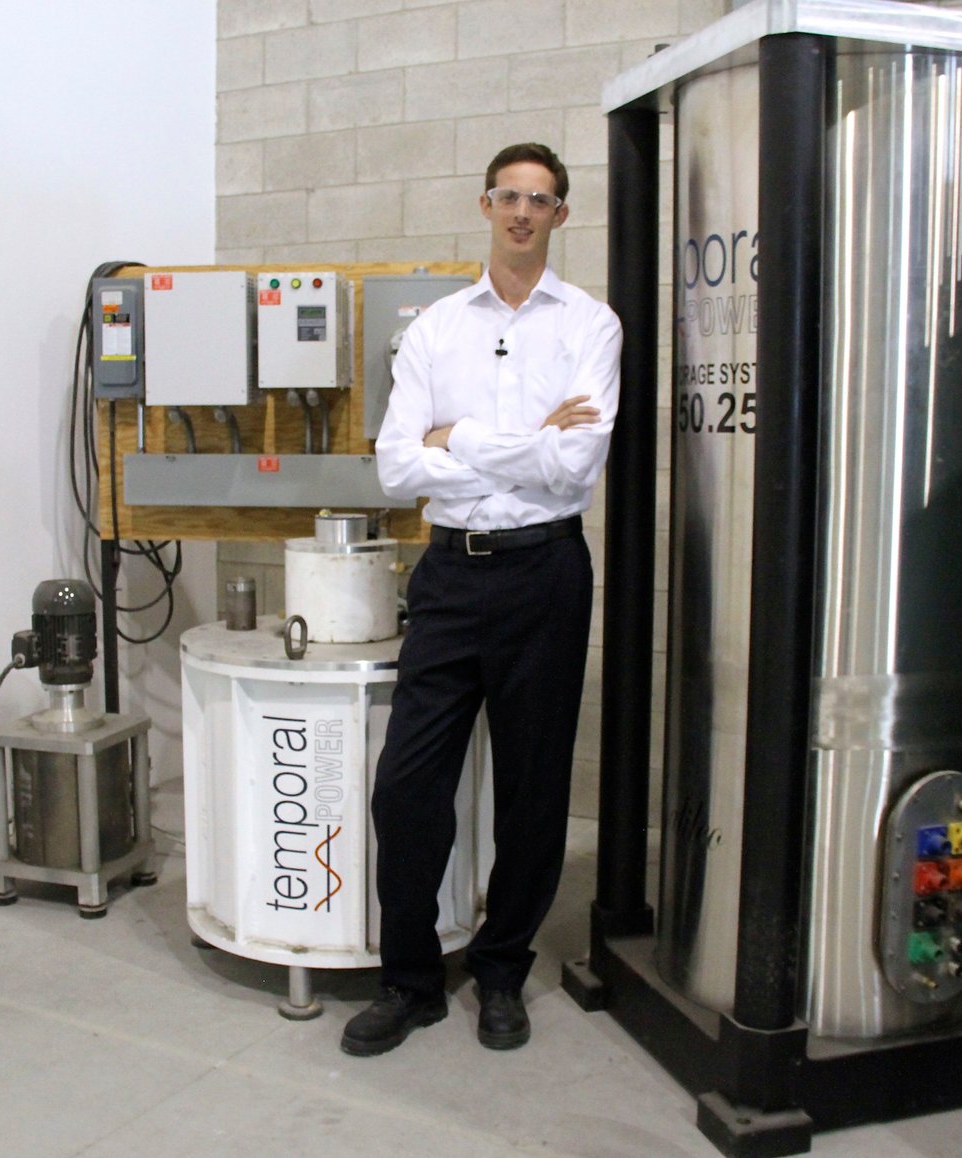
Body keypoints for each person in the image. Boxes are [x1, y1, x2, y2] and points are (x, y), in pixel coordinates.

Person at [342, 143, 622, 1056]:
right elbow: (394, 466)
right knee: (406, 786)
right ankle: (412, 981)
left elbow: (574, 461)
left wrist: (455, 435)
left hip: (546, 575)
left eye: (541, 200)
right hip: (452, 576)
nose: (522, 213)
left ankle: (501, 971)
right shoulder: (435, 330)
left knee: (535, 794)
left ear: (560, 216)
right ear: (485, 204)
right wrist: (521, 443)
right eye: (509, 196)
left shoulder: (591, 325)